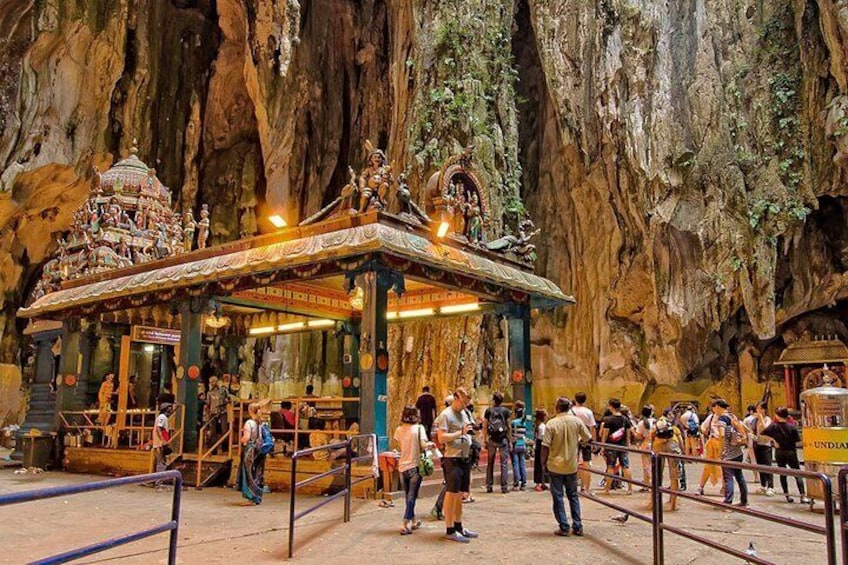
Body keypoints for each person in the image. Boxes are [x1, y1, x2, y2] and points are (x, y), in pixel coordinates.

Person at [542, 397, 591, 537]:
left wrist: (543, 463)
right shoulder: (577, 422)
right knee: (573, 496)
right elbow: (588, 438)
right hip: (571, 465)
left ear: (557, 408)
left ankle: (564, 526)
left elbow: (545, 446)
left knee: (558, 497)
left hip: (555, 465)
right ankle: (578, 525)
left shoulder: (551, 424)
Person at [435, 387, 478, 543]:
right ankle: (450, 528)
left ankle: (459, 525)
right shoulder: (446, 415)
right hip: (452, 459)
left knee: (460, 493)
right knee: (451, 493)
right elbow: (441, 438)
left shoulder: (465, 413)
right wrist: (460, 433)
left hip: (465, 458)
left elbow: (468, 429)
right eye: (463, 401)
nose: (465, 405)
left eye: (467, 402)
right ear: (456, 398)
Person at [394, 405, 434, 534]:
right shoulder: (419, 428)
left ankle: (414, 520)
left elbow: (400, 445)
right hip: (415, 466)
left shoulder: (399, 430)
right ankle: (405, 523)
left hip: (402, 467)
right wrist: (430, 445)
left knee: (408, 496)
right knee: (412, 496)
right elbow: (423, 445)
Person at [760, 406, 810, 504]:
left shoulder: (773, 426)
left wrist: (773, 440)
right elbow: (798, 441)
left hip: (779, 452)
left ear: (777, 416)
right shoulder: (792, 426)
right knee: (797, 473)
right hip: (791, 451)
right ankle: (802, 496)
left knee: (783, 473)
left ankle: (787, 495)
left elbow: (762, 434)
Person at [714, 399, 749, 507]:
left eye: (714, 407)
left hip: (728, 452)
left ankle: (728, 502)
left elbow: (722, 435)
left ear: (718, 407)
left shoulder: (722, 419)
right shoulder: (732, 416)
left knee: (728, 478)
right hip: (738, 451)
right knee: (739, 476)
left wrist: (720, 452)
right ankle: (744, 500)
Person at [237, 400, 270, 505]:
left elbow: (246, 438)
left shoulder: (249, 423)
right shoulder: (263, 423)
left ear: (250, 411)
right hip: (261, 450)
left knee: (249, 473)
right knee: (258, 473)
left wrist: (241, 440)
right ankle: (258, 497)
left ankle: (251, 497)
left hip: (251, 450)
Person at [650, 409, 684, 510]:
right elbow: (680, 441)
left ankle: (654, 502)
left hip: (658, 446)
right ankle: (673, 504)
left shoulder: (657, 422)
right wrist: (683, 451)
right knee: (674, 476)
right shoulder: (674, 426)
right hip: (672, 445)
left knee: (657, 475)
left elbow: (652, 435)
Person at [599, 398, 633, 495]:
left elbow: (605, 435)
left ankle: (607, 489)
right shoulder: (625, 419)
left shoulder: (608, 420)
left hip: (611, 446)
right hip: (622, 446)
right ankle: (630, 488)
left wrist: (602, 446)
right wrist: (627, 444)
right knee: (625, 466)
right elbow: (627, 434)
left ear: (611, 406)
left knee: (610, 466)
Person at [430, 394, 454, 521]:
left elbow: (434, 433)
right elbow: (437, 434)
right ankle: (438, 507)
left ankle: (443, 508)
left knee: (450, 482)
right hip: (448, 454)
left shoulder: (441, 417)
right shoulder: (446, 416)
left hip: (447, 453)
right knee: (450, 482)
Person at [483, 391, 512, 494]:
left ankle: (489, 486)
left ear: (494, 400)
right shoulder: (506, 411)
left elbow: (485, 426)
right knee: (504, 463)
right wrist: (510, 440)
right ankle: (504, 487)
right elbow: (509, 426)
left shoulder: (488, 411)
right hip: (503, 438)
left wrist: (484, 439)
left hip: (492, 439)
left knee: (490, 463)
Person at [571, 392, 597, 492]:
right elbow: (592, 427)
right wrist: (593, 442)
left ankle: (573, 486)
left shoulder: (570, 411)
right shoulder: (588, 412)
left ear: (575, 399)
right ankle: (585, 487)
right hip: (586, 439)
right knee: (587, 463)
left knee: (573, 463)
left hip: (573, 439)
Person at [696, 399, 723, 496]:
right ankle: (701, 487)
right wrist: (706, 432)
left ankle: (724, 488)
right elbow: (703, 427)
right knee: (708, 466)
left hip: (723, 444)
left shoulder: (727, 417)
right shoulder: (711, 417)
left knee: (724, 467)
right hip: (712, 443)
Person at [752, 402, 775, 496]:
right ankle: (763, 485)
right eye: (757, 409)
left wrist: (761, 418)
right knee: (760, 465)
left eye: (760, 408)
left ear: (764, 409)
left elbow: (767, 429)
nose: (758, 411)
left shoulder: (767, 419)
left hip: (766, 444)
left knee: (767, 466)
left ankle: (770, 486)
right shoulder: (755, 420)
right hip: (758, 443)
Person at [510, 400, 531, 490]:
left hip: (516, 444)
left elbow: (511, 433)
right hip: (523, 445)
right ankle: (524, 483)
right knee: (522, 464)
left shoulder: (513, 422)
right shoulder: (524, 423)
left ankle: (516, 483)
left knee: (516, 464)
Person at [634, 405, 655, 492]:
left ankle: (649, 485)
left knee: (646, 466)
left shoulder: (641, 423)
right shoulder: (655, 421)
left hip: (645, 444)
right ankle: (650, 484)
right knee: (654, 465)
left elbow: (638, 436)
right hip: (655, 444)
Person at [153, 402, 174, 474]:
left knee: (161, 462)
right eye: (169, 408)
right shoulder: (162, 417)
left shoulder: (162, 417)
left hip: (160, 443)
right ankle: (158, 482)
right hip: (160, 444)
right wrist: (163, 440)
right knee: (161, 463)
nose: (170, 411)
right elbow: (159, 428)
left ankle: (157, 481)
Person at [533, 408, 549, 491]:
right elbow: (543, 437)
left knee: (540, 464)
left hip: (539, 445)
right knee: (542, 464)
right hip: (542, 446)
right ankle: (541, 482)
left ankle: (540, 482)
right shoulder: (542, 426)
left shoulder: (538, 425)